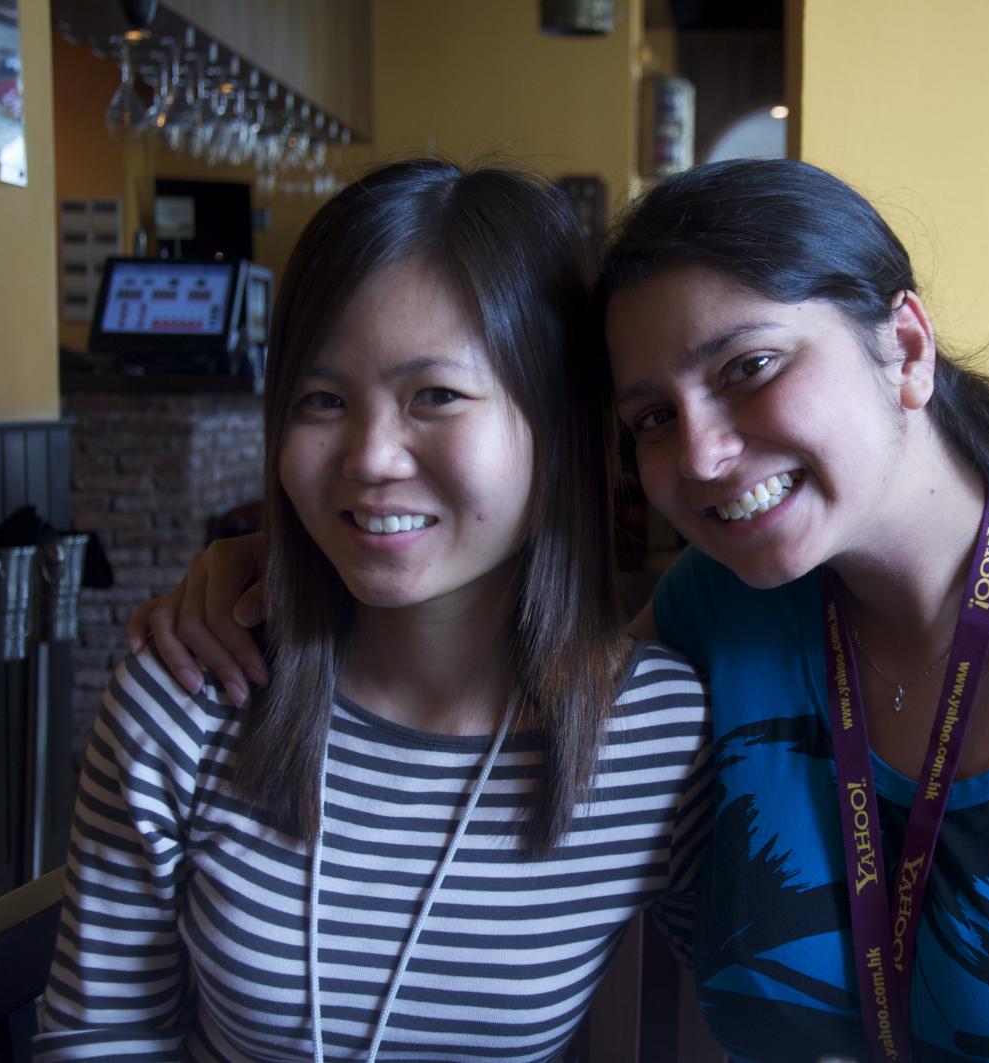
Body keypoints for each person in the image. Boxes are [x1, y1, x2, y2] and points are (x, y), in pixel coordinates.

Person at [135, 159, 989, 1061]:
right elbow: (494, 628)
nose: (709, 455)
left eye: (748, 368)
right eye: (650, 420)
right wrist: (255, 570)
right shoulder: (719, 619)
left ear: (903, 346)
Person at [37, 159, 712, 1062]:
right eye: (323, 400)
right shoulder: (188, 698)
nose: (369, 457)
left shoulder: (658, 736)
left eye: (434, 395)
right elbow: (101, 1032)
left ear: (561, 423)